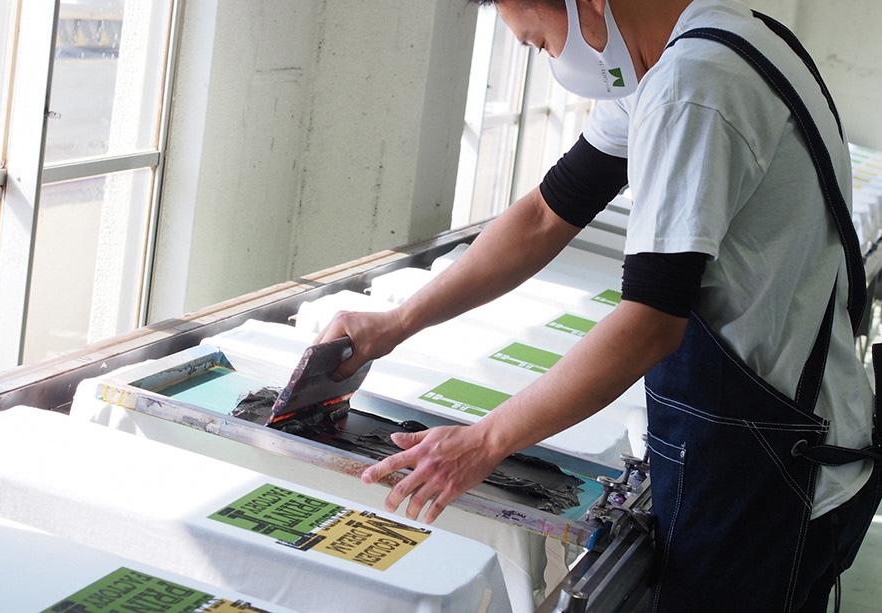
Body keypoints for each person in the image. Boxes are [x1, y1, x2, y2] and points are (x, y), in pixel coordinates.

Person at [315, 0, 882, 610]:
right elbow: (543, 215)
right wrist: (395, 324)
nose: (546, 57)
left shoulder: (692, 85)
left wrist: (484, 441)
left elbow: (648, 326)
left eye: (539, 42)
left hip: (772, 477)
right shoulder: (716, 38)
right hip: (794, 441)